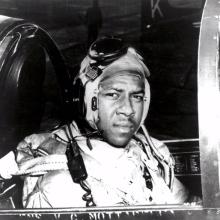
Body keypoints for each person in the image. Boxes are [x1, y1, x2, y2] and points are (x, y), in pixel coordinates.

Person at [0, 37, 189, 208]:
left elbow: (187, 205)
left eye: (137, 96)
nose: (129, 109)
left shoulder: (151, 154)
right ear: (88, 99)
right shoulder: (59, 185)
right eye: (113, 95)